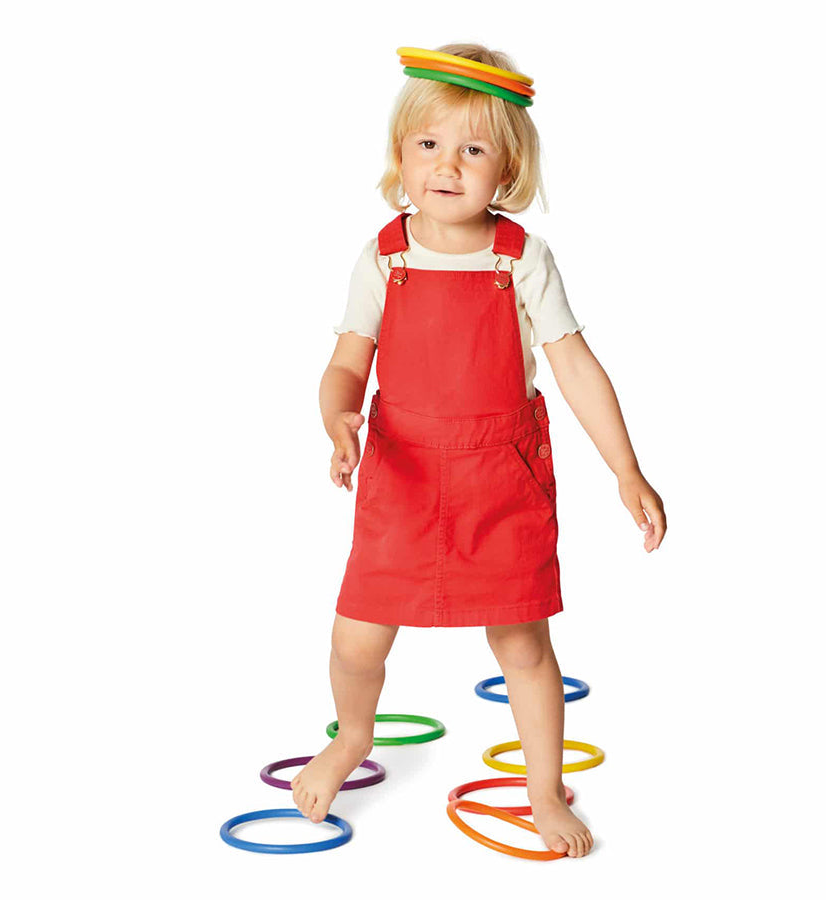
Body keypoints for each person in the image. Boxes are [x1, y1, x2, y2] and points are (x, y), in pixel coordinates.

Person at [291, 43, 666, 859]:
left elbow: (573, 363)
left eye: (473, 149)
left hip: (500, 477)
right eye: (429, 143)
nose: (447, 165)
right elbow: (347, 360)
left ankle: (543, 790)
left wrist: (626, 469)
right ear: (400, 152)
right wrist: (338, 418)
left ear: (508, 170)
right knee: (356, 638)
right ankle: (352, 734)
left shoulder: (520, 257)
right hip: (402, 474)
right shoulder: (384, 255)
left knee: (522, 644)